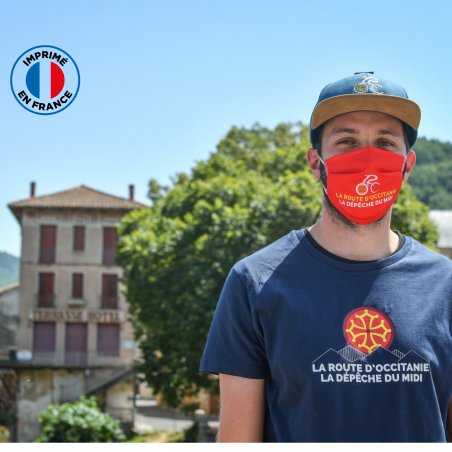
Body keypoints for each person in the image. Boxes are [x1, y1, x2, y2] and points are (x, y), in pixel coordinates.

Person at [199, 72, 452, 442]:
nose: (367, 157)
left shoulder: (445, 285)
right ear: (316, 163)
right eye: (346, 141)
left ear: (407, 166)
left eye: (385, 142)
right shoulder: (254, 282)